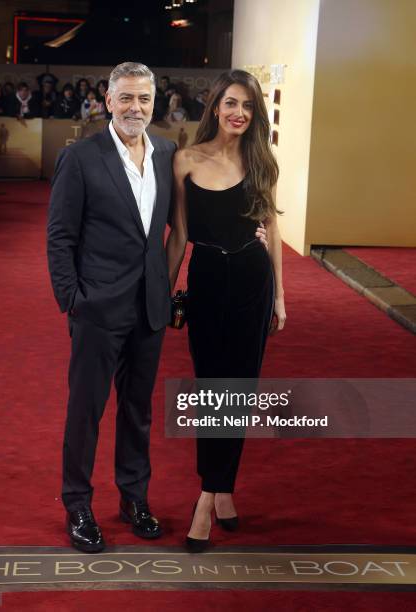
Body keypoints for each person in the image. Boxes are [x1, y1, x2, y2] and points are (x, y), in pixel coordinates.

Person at [47, 62, 178, 553]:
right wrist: (73, 302)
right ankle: (77, 504)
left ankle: (134, 497)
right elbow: (60, 236)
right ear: (107, 100)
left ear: (153, 101)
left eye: (143, 99)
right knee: (86, 411)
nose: (135, 108)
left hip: (149, 308)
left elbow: (177, 226)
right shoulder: (81, 157)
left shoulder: (166, 152)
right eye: (125, 98)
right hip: (97, 309)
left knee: (138, 410)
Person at [166, 69, 286, 552]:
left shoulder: (261, 162)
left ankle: (208, 497)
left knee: (240, 391)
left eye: (248, 107)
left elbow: (271, 229)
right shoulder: (185, 161)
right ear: (215, 106)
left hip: (253, 282)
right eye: (232, 104)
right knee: (212, 390)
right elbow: (177, 234)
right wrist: (160, 289)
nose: (239, 114)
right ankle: (221, 488)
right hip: (208, 282)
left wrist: (279, 295)